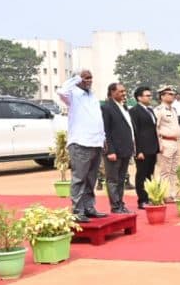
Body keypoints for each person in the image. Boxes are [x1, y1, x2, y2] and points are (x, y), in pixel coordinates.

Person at [57, 70, 107, 223]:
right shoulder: (72, 94)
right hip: (80, 143)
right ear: (77, 79)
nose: (89, 80)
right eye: (85, 78)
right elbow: (61, 91)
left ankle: (89, 208)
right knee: (79, 178)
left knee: (91, 178)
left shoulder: (92, 96)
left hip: (96, 142)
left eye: (90, 78)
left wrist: (103, 138)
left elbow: (97, 119)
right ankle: (78, 210)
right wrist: (77, 79)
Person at [101, 82, 135, 214]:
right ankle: (115, 206)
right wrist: (110, 150)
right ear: (112, 92)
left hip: (125, 149)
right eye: (121, 91)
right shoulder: (106, 108)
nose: (124, 93)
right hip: (113, 151)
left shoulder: (123, 107)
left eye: (124, 91)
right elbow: (105, 131)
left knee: (121, 179)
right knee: (113, 180)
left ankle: (120, 204)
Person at [129, 85, 160, 210]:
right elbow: (135, 132)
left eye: (150, 95)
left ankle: (149, 196)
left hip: (152, 148)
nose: (150, 97)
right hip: (142, 149)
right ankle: (142, 200)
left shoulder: (150, 110)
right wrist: (138, 150)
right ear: (139, 97)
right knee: (141, 174)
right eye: (147, 95)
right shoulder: (134, 111)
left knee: (149, 174)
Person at [155, 85, 180, 201]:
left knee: (173, 170)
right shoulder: (159, 110)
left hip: (175, 142)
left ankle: (172, 194)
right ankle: (163, 194)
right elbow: (155, 128)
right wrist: (159, 144)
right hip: (165, 142)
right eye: (170, 94)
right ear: (162, 96)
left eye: (173, 94)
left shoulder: (173, 110)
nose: (173, 96)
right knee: (165, 171)